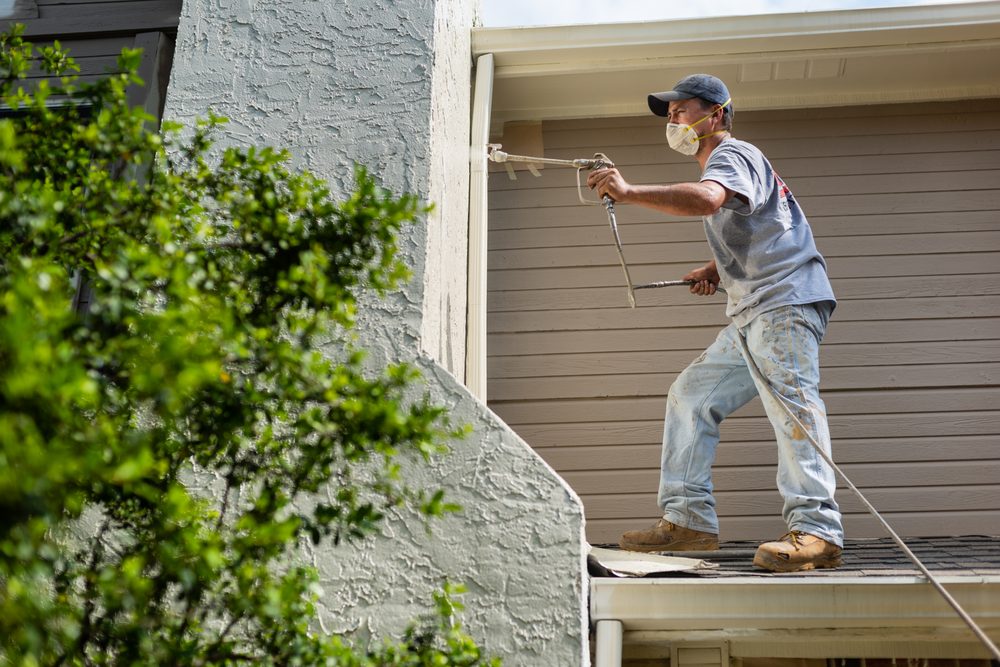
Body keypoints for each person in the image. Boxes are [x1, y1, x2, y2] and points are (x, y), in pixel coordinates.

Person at [587, 74, 843, 572]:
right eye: (670, 113)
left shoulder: (731, 154)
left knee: (793, 407)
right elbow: (762, 221)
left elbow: (707, 199)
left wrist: (629, 190)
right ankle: (688, 523)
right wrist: (717, 268)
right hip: (754, 310)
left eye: (681, 110)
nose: (673, 120)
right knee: (690, 395)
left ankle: (818, 531)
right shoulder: (730, 166)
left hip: (783, 305)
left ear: (718, 113)